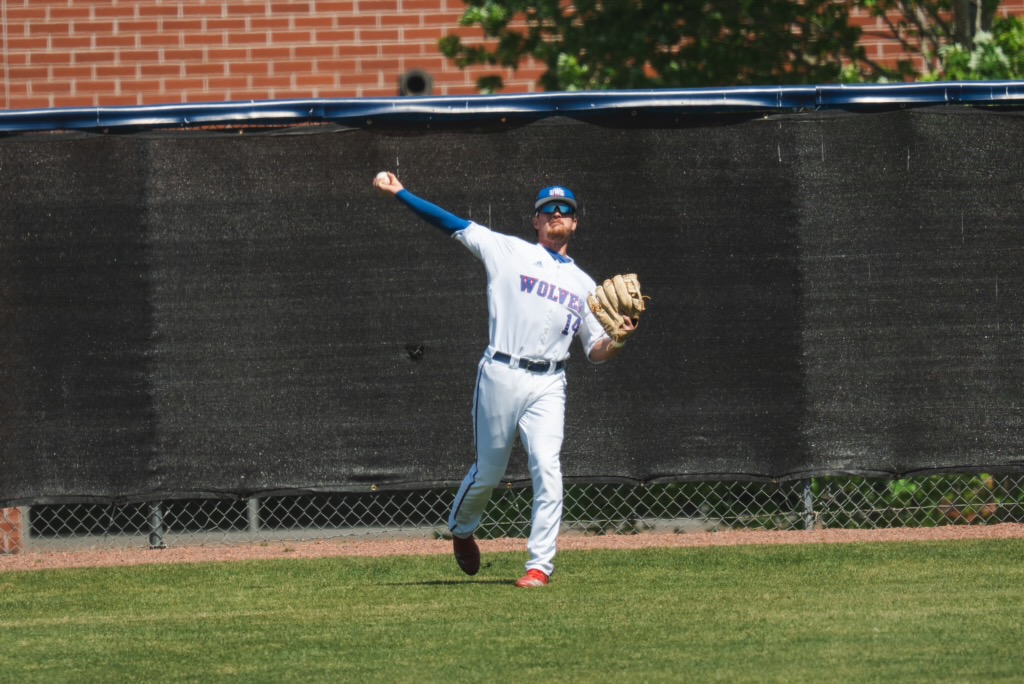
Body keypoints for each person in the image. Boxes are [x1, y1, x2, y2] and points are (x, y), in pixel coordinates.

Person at [372, 171, 635, 588]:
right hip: (501, 372)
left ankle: (539, 567)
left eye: (565, 209)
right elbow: (451, 223)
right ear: (535, 221)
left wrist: (620, 338)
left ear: (575, 222)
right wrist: (401, 192)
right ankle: (461, 529)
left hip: (550, 382)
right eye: (547, 209)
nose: (556, 214)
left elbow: (597, 351)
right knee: (487, 474)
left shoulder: (586, 285)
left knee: (548, 469)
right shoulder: (506, 250)